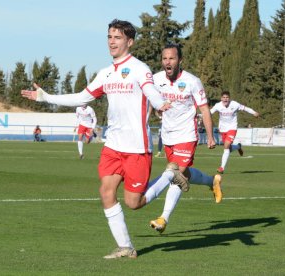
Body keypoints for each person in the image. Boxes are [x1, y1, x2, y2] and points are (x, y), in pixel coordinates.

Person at [21, 19, 178, 259]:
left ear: (130, 41)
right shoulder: (105, 73)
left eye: (117, 37)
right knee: (106, 192)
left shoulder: (139, 68)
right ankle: (126, 247)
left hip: (137, 146)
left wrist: (160, 103)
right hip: (113, 145)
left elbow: (150, 90)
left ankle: (170, 174)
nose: (112, 42)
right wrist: (47, 97)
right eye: (109, 37)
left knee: (134, 203)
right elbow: (82, 97)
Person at [144, 44, 222, 233]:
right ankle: (212, 181)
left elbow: (203, 109)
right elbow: (149, 102)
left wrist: (210, 136)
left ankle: (163, 218)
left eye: (171, 58)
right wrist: (148, 117)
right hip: (168, 134)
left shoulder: (192, 81)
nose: (167, 62)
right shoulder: (155, 79)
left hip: (187, 134)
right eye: (164, 58)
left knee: (176, 174)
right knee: (184, 175)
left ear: (180, 61)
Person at [211, 91, 259, 174]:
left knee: (226, 146)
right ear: (221, 98)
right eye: (224, 98)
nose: (225, 99)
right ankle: (238, 146)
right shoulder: (218, 105)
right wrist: (199, 116)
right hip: (222, 129)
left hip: (232, 128)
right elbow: (209, 113)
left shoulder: (234, 104)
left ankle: (222, 168)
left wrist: (254, 112)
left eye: (227, 98)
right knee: (228, 148)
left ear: (229, 98)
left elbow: (245, 108)